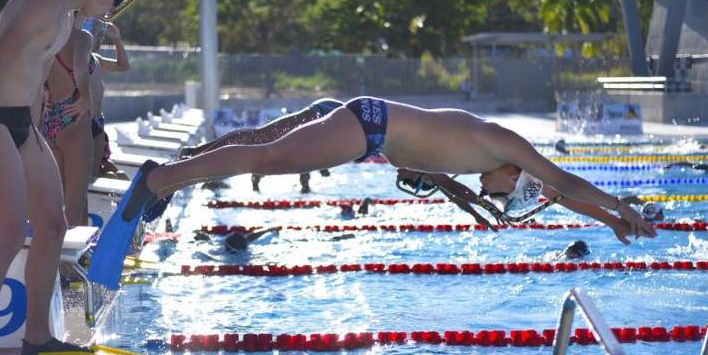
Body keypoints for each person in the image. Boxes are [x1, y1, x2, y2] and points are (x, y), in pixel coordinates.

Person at [121, 97, 657, 248]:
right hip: (370, 125)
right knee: (270, 158)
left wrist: (610, 223)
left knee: (267, 148)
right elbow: (565, 183)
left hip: (367, 129)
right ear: (516, 175)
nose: (489, 194)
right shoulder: (503, 143)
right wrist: (621, 205)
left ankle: (168, 176)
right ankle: (160, 179)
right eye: (501, 195)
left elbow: (558, 197)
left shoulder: (487, 164)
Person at [0, 0, 138, 355]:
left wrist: (35, 130)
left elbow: (35, 79)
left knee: (53, 225)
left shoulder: (67, 15)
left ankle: (36, 336)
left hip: (21, 123)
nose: (114, 9)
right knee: (8, 236)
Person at [179, 98, 342, 192]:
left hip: (331, 122)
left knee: (269, 143)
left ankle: (198, 157)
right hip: (326, 112)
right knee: (260, 136)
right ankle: (195, 152)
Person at [41, 13, 94, 226]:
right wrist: (86, 97)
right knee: (75, 202)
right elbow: (80, 68)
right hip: (73, 118)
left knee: (59, 200)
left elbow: (36, 71)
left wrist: (44, 92)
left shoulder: (49, 36)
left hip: (50, 120)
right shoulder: (82, 37)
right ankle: (68, 247)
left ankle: (71, 245)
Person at [83, 18, 130, 179]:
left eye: (102, 36)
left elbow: (123, 66)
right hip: (83, 122)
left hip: (98, 122)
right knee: (89, 175)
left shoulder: (96, 59)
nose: (101, 39)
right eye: (98, 34)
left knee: (98, 173)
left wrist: (117, 40)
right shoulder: (76, 58)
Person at [193, 227, 278, 253]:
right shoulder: (243, 243)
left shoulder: (217, 252)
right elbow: (253, 236)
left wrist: (205, 237)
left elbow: (252, 236)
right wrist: (268, 230)